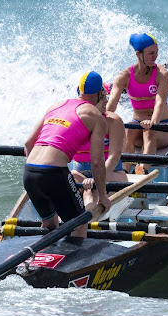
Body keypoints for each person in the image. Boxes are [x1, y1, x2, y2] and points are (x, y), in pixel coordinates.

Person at [23, 71, 111, 240]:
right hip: (53, 173)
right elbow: (97, 162)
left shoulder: (57, 105)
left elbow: (28, 144)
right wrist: (103, 197)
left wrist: (38, 175)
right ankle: (76, 263)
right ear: (100, 93)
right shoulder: (96, 116)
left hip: (29, 172)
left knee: (49, 225)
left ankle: (45, 260)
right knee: (78, 225)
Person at [106, 32, 168, 174]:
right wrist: (100, 122)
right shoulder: (124, 76)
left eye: (156, 52)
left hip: (164, 128)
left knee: (149, 133)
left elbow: (159, 103)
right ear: (138, 54)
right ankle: (124, 173)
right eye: (150, 53)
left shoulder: (163, 74)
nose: (155, 56)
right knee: (128, 131)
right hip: (138, 126)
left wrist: (153, 122)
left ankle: (142, 172)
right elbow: (111, 105)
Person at [70, 86, 129, 207]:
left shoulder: (113, 121)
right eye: (103, 97)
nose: (107, 101)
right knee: (78, 192)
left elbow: (114, 156)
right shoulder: (74, 120)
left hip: (111, 175)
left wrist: (97, 179)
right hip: (80, 175)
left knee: (93, 193)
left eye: (106, 96)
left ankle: (88, 214)